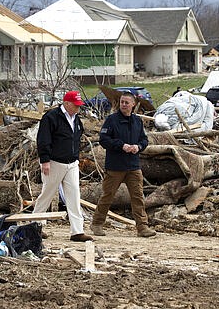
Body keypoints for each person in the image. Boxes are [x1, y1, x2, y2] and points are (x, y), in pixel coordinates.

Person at [90, 92, 156, 238]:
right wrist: (121, 146)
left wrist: (139, 147)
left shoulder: (137, 121)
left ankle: (142, 227)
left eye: (127, 102)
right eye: (122, 102)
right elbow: (104, 140)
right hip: (115, 167)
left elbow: (144, 140)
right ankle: (97, 223)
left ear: (133, 105)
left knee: (138, 197)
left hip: (133, 166)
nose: (124, 105)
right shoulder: (112, 120)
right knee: (108, 196)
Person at [32, 91, 93, 242]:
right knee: (47, 194)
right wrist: (45, 160)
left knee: (74, 195)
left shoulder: (76, 120)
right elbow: (43, 139)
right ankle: (35, 226)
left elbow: (76, 138)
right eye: (76, 105)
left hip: (71, 163)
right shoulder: (51, 117)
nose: (78, 108)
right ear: (66, 103)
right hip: (54, 162)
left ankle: (77, 231)